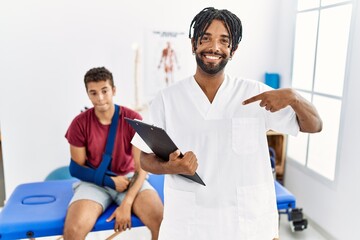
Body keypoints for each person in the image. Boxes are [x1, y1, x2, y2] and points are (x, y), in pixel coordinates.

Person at [132, 7, 322, 240]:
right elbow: (145, 159)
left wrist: (294, 97)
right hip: (190, 224)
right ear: (193, 44)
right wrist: (171, 167)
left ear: (233, 50)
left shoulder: (256, 94)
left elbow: (314, 125)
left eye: (224, 41)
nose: (214, 47)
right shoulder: (167, 99)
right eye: (206, 39)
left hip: (246, 225)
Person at [63, 67, 163, 240]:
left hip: (130, 179)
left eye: (104, 91)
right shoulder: (79, 124)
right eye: (93, 93)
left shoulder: (133, 119)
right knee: (73, 232)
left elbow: (142, 169)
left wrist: (127, 203)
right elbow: (76, 169)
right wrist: (109, 181)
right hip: (94, 182)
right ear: (88, 95)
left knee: (161, 222)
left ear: (113, 90)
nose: (100, 98)